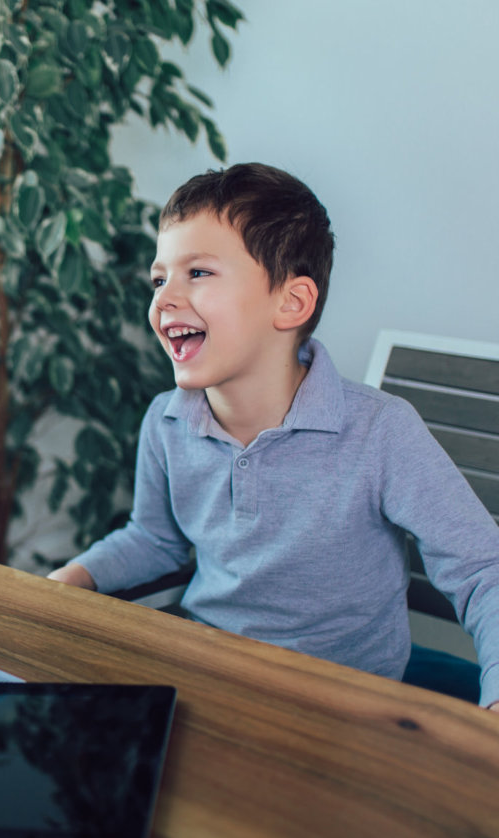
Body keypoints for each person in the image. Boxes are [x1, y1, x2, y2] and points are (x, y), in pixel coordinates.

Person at [46, 163, 499, 711]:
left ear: (291, 303)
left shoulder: (381, 430)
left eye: (199, 273)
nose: (163, 299)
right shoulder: (166, 421)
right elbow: (154, 539)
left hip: (344, 705)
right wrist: (70, 579)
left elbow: (483, 571)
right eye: (159, 278)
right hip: (208, 678)